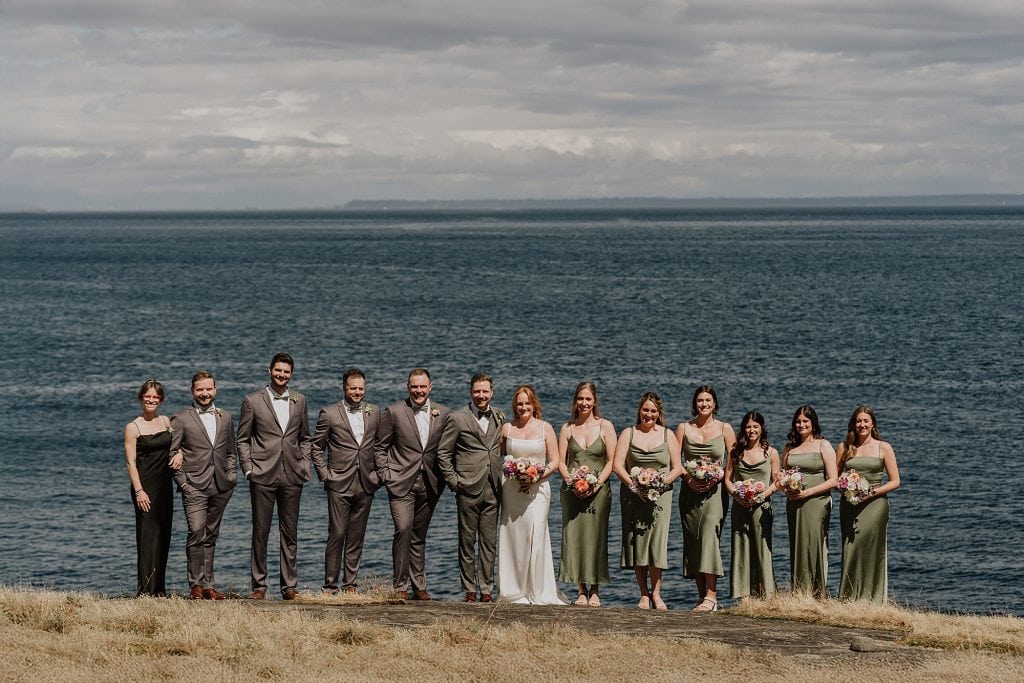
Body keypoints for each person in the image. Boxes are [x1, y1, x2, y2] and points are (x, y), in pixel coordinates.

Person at [237, 352, 312, 600]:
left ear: (291, 374)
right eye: (278, 370)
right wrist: (248, 468)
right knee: (261, 532)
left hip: (292, 475)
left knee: (290, 532)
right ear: (269, 371)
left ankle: (289, 586)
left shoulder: (299, 400)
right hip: (262, 474)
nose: (282, 375)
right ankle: (259, 586)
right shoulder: (252, 401)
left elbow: (305, 437)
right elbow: (242, 439)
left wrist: (304, 463)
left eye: (286, 372)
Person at [375, 368, 452, 601]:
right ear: (408, 387)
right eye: (414, 387)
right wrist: (387, 474)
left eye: (422, 387)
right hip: (400, 482)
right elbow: (380, 448)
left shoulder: (444, 413)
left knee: (419, 535)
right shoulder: (395, 411)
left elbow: (447, 448)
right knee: (403, 529)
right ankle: (400, 585)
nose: (418, 391)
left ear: (430, 387)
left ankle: (419, 586)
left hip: (430, 482)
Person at [311, 368, 381, 595]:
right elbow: (316, 447)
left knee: (356, 536)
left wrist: (378, 475)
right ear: (344, 388)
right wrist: (325, 474)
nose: (357, 392)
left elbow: (381, 445)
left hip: (366, 482)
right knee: (337, 533)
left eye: (361, 388)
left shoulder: (375, 412)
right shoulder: (329, 413)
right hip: (339, 482)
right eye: (353, 388)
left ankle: (350, 584)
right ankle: (330, 585)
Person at [496, 385, 566, 604]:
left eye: (527, 403)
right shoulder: (506, 428)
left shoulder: (545, 428)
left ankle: (538, 590)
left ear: (534, 404)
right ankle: (514, 590)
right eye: (519, 403)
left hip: (538, 490)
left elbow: (555, 461)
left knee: (535, 534)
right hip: (512, 489)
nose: (523, 407)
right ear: (514, 406)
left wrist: (537, 476)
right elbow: (500, 457)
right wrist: (514, 473)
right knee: (514, 535)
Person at [169, 370, 237, 600]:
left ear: (215, 390)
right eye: (200, 389)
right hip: (194, 485)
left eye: (209, 389)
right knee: (196, 531)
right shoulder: (181, 418)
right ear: (192, 391)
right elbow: (172, 453)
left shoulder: (225, 416)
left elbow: (230, 451)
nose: (205, 393)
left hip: (220, 485)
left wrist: (231, 475)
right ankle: (195, 584)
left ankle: (208, 585)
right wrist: (184, 484)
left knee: (211, 534)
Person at [437, 373, 505, 602]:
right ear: (470, 392)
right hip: (467, 487)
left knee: (489, 542)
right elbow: (443, 453)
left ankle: (486, 590)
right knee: (467, 541)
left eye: (485, 391)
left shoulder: (499, 416)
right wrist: (454, 482)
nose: (481, 395)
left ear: (492, 392)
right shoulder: (457, 418)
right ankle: (469, 590)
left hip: (493, 487)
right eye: (477, 391)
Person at [614, 392, 683, 611]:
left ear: (658, 413)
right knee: (638, 542)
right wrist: (635, 486)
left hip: (660, 497)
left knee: (656, 543)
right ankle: (643, 593)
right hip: (633, 496)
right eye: (645, 410)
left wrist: (659, 484)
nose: (649, 414)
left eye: (653, 411)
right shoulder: (628, 433)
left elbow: (678, 468)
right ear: (639, 411)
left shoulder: (667, 435)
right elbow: (617, 465)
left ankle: (657, 592)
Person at [675, 384, 736, 612]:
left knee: (710, 535)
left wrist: (719, 475)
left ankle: (712, 595)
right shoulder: (683, 428)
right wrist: (689, 480)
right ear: (695, 404)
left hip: (715, 492)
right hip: (689, 492)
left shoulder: (725, 428)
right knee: (694, 540)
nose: (704, 404)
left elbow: (734, 459)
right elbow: (676, 460)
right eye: (700, 400)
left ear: (715, 404)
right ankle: (701, 596)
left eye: (708, 400)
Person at [557, 381, 615, 607]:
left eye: (588, 399)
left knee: (595, 538)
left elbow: (611, 461)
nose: (584, 403)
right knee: (575, 537)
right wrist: (572, 482)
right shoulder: (567, 428)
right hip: (572, 491)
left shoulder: (605, 427)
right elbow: (562, 462)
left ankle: (595, 589)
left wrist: (596, 483)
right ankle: (581, 589)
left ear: (594, 401)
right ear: (575, 401)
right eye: (580, 399)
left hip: (599, 492)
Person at [837, 405, 901, 603]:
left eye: (865, 421)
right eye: (858, 421)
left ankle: (872, 598)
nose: (861, 425)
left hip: (875, 505)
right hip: (850, 504)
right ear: (853, 424)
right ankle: (849, 597)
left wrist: (870, 492)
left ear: (873, 423)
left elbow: (895, 481)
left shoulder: (884, 447)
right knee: (851, 547)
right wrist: (847, 488)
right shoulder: (844, 447)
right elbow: (835, 478)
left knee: (872, 548)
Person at [123, 379, 175, 597]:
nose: (151, 400)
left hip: (165, 485)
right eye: (148, 396)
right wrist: (138, 491)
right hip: (145, 486)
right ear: (141, 398)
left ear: (160, 400)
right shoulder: (133, 427)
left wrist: (180, 454)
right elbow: (130, 463)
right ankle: (145, 591)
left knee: (164, 534)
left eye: (156, 397)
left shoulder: (165, 421)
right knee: (147, 536)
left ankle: (159, 589)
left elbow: (176, 446)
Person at [781, 404, 838, 598]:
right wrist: (786, 487)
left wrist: (808, 493)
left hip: (817, 502)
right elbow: (783, 475)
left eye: (805, 421)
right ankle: (799, 591)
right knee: (798, 543)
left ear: (813, 423)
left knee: (815, 543)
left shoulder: (824, 445)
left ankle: (817, 592)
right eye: (798, 421)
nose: (801, 424)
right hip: (794, 502)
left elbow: (833, 479)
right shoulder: (789, 448)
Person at [723, 411, 779, 602]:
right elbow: (727, 480)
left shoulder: (771, 452)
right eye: (748, 426)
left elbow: (777, 482)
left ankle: (766, 594)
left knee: (762, 548)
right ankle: (744, 595)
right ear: (743, 429)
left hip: (762, 508)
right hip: (740, 506)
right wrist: (736, 495)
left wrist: (762, 496)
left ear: (762, 428)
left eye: (755, 426)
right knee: (741, 547)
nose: (751, 430)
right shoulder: (736, 452)